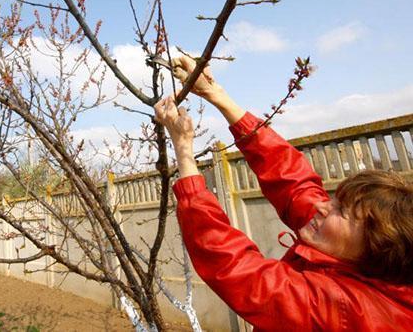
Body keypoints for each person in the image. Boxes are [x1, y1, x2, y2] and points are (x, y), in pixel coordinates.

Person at [154, 56, 413, 331]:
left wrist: (184, 151)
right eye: (335, 200)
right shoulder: (356, 258)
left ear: (377, 247)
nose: (324, 206)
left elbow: (238, 270)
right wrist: (215, 94)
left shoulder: (351, 312)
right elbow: (294, 182)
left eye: (342, 212)